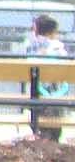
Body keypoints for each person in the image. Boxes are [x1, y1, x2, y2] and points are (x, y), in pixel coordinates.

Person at [25, 12, 69, 140]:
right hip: (54, 100)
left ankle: (40, 135)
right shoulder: (57, 48)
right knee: (55, 97)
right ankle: (53, 138)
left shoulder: (29, 46)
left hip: (35, 97)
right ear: (53, 32)